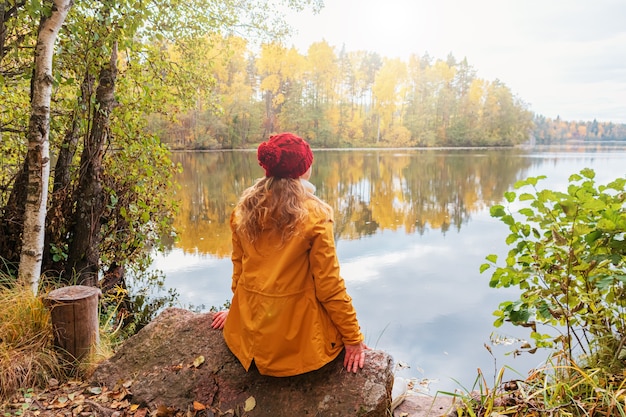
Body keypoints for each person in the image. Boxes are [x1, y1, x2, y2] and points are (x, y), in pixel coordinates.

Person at [211, 132, 368, 377]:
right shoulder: (315, 216)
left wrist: (239, 311)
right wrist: (353, 338)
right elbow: (329, 286)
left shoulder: (244, 210)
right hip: (291, 344)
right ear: (304, 170)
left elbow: (240, 269)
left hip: (249, 336)